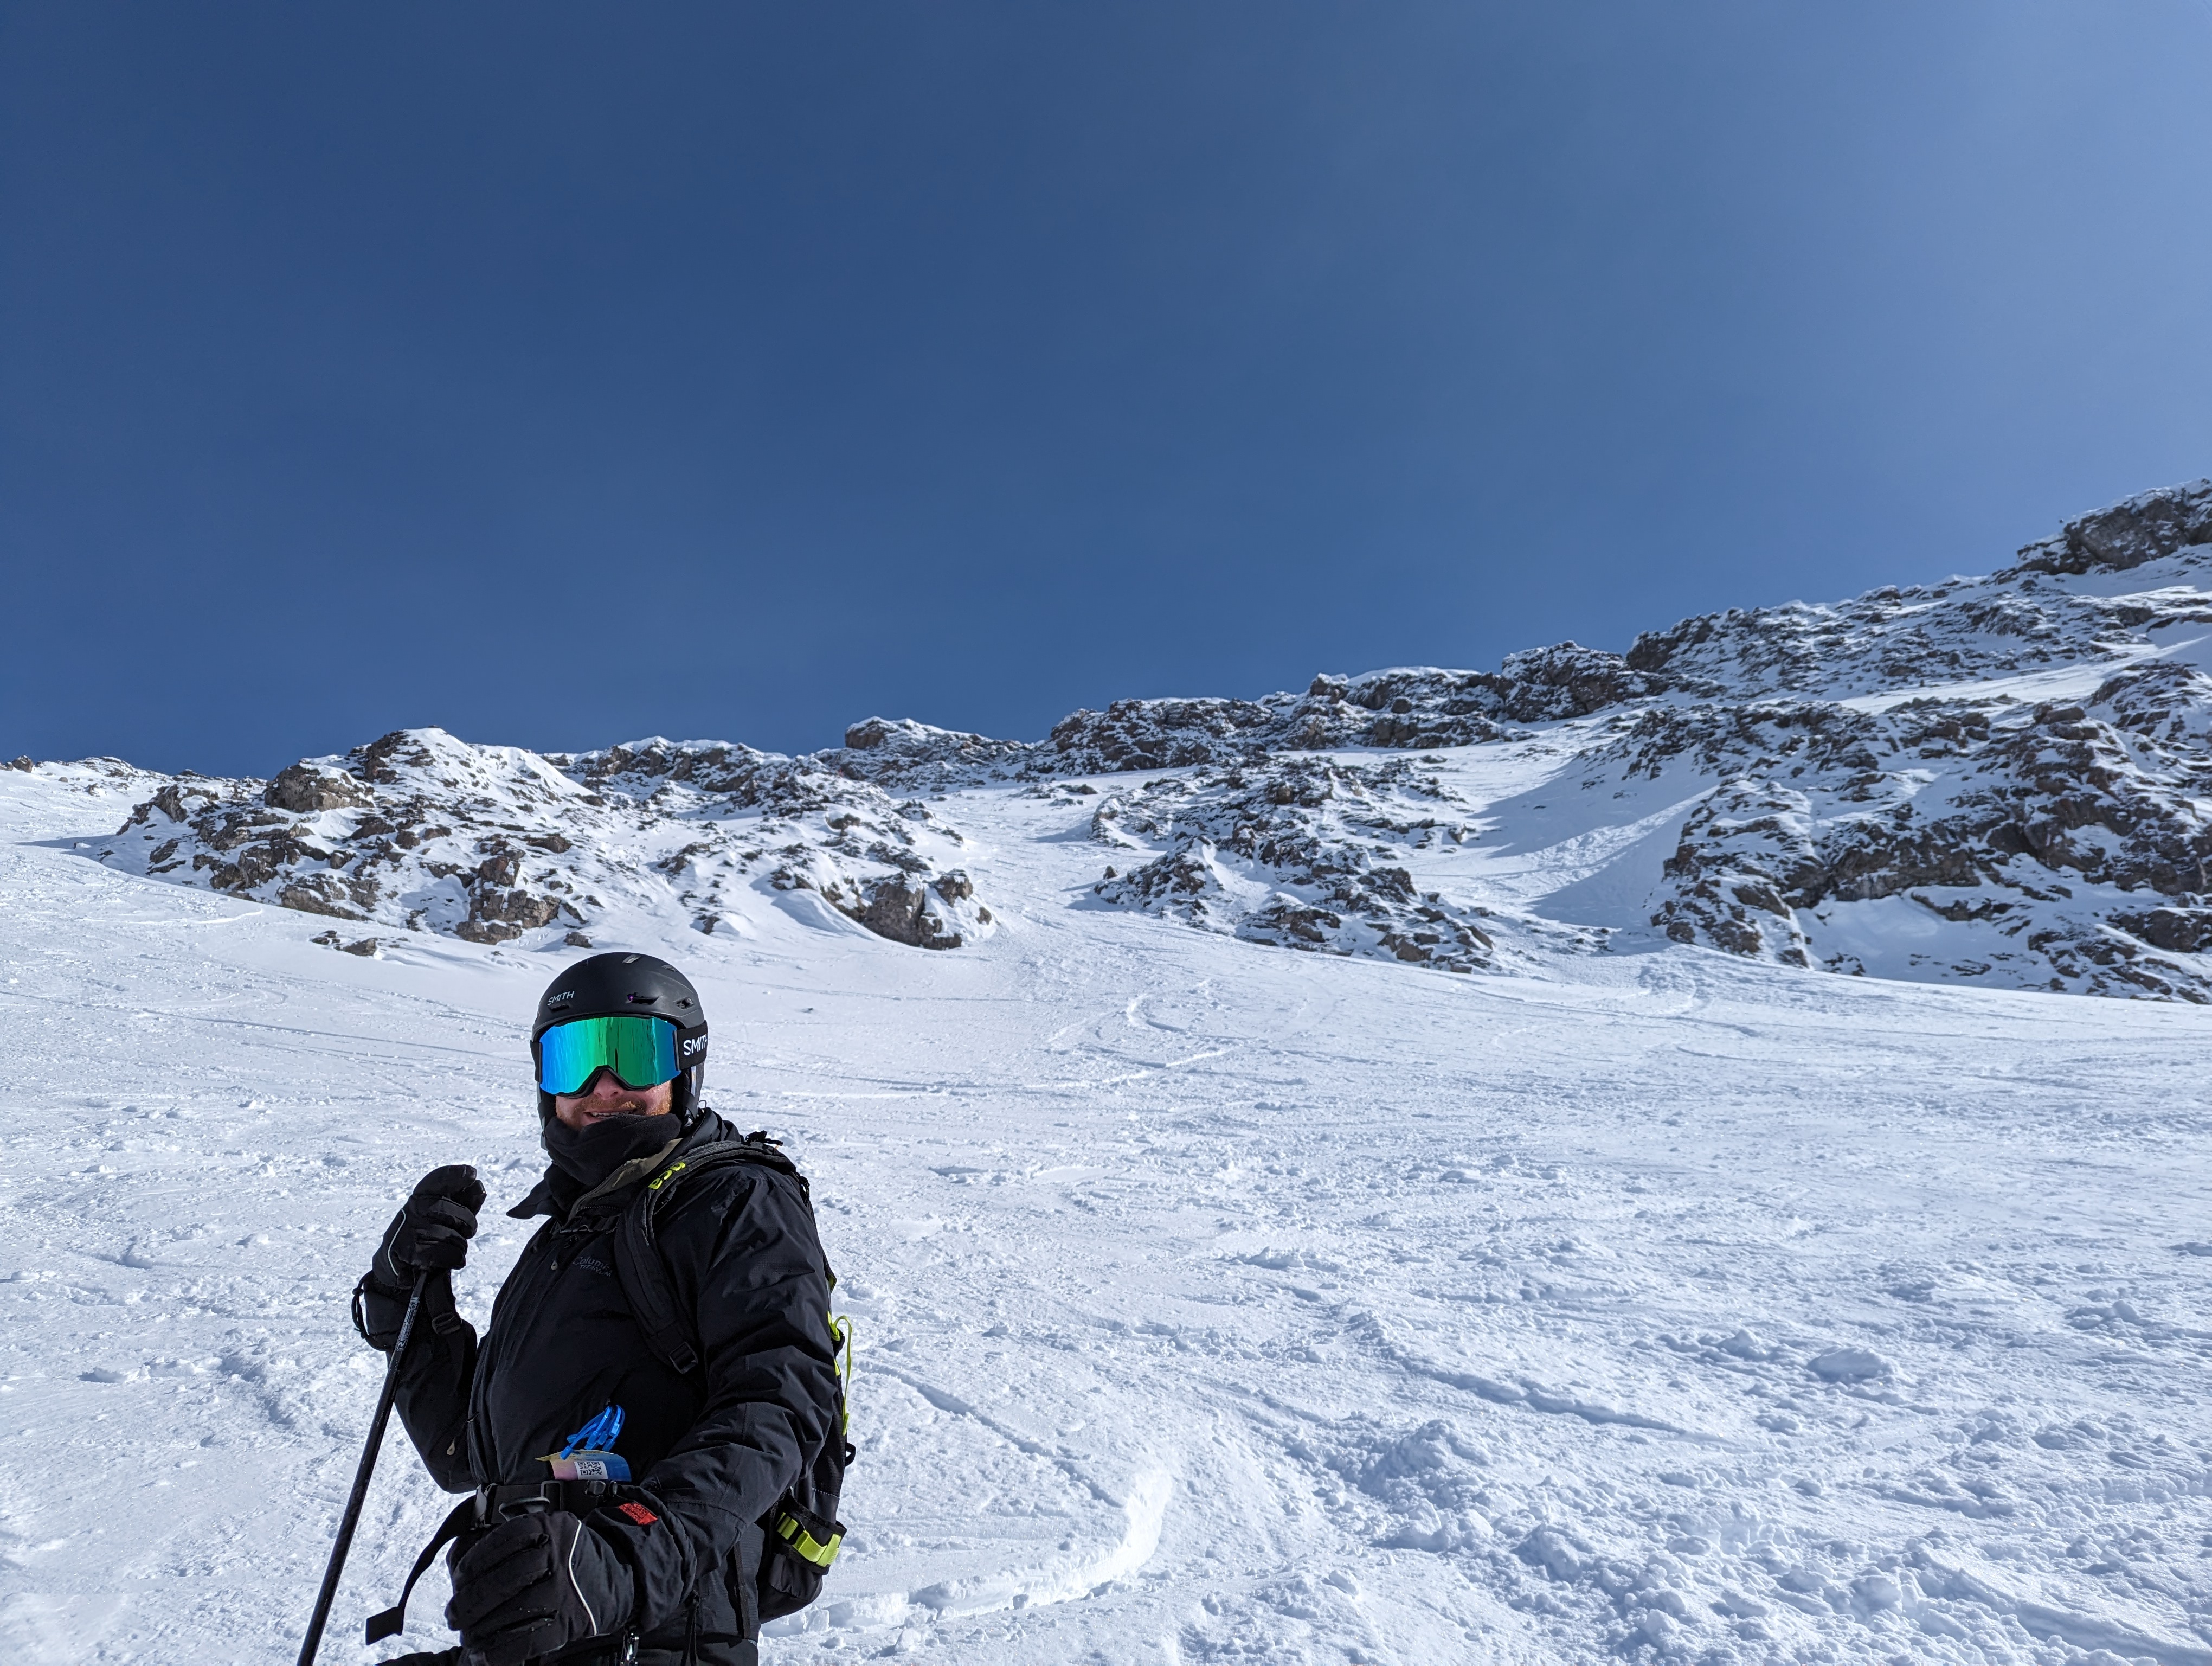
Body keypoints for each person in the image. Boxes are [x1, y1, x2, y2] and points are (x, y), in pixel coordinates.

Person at [355, 952, 843, 1666]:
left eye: (634, 1056)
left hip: (662, 1626)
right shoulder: (572, 1230)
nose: (602, 1088)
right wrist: (408, 1299)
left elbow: (781, 1402)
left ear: (684, 1074)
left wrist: (628, 1555)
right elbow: (469, 1456)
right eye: (574, 1059)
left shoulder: (733, 1200)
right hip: (531, 1615)